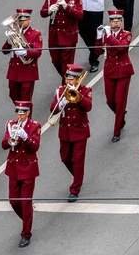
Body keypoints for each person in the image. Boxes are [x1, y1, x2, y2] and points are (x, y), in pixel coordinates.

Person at [1, 101, 41, 248]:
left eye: (23, 113)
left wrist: (25, 137)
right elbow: (3, 145)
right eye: (18, 112)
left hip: (28, 168)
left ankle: (26, 233)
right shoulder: (10, 124)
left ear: (28, 113)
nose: (20, 116)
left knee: (25, 202)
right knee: (13, 201)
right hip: (13, 167)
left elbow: (35, 147)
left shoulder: (35, 126)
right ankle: (27, 219)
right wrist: (10, 140)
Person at [49, 64, 92, 201]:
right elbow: (53, 109)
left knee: (78, 160)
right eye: (67, 79)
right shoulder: (60, 91)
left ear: (78, 80)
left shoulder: (85, 90)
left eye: (71, 79)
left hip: (80, 130)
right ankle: (78, 176)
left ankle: (75, 188)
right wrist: (61, 103)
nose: (68, 82)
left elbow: (88, 107)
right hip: (65, 130)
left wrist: (78, 96)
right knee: (65, 158)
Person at [95, 10, 134, 142]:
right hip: (109, 70)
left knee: (119, 101)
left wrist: (109, 35)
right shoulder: (106, 34)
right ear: (110, 22)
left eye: (118, 21)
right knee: (110, 101)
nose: (115, 23)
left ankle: (117, 131)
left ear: (121, 22)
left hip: (123, 71)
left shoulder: (126, 34)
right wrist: (99, 36)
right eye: (113, 20)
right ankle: (121, 114)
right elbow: (98, 51)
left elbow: (121, 48)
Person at [39, 0, 84, 83]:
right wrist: (49, 10)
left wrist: (66, 6)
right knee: (55, 61)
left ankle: (66, 88)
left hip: (68, 35)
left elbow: (80, 15)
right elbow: (42, 12)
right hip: (54, 35)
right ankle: (71, 80)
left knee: (66, 64)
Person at [1, 9, 43, 108]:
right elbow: (4, 51)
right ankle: (22, 113)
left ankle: (26, 118)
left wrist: (25, 52)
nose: (22, 22)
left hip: (28, 71)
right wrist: (8, 41)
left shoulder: (35, 34)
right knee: (13, 95)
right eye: (19, 20)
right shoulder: (13, 33)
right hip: (14, 72)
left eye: (24, 20)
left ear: (30, 20)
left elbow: (38, 51)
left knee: (25, 101)